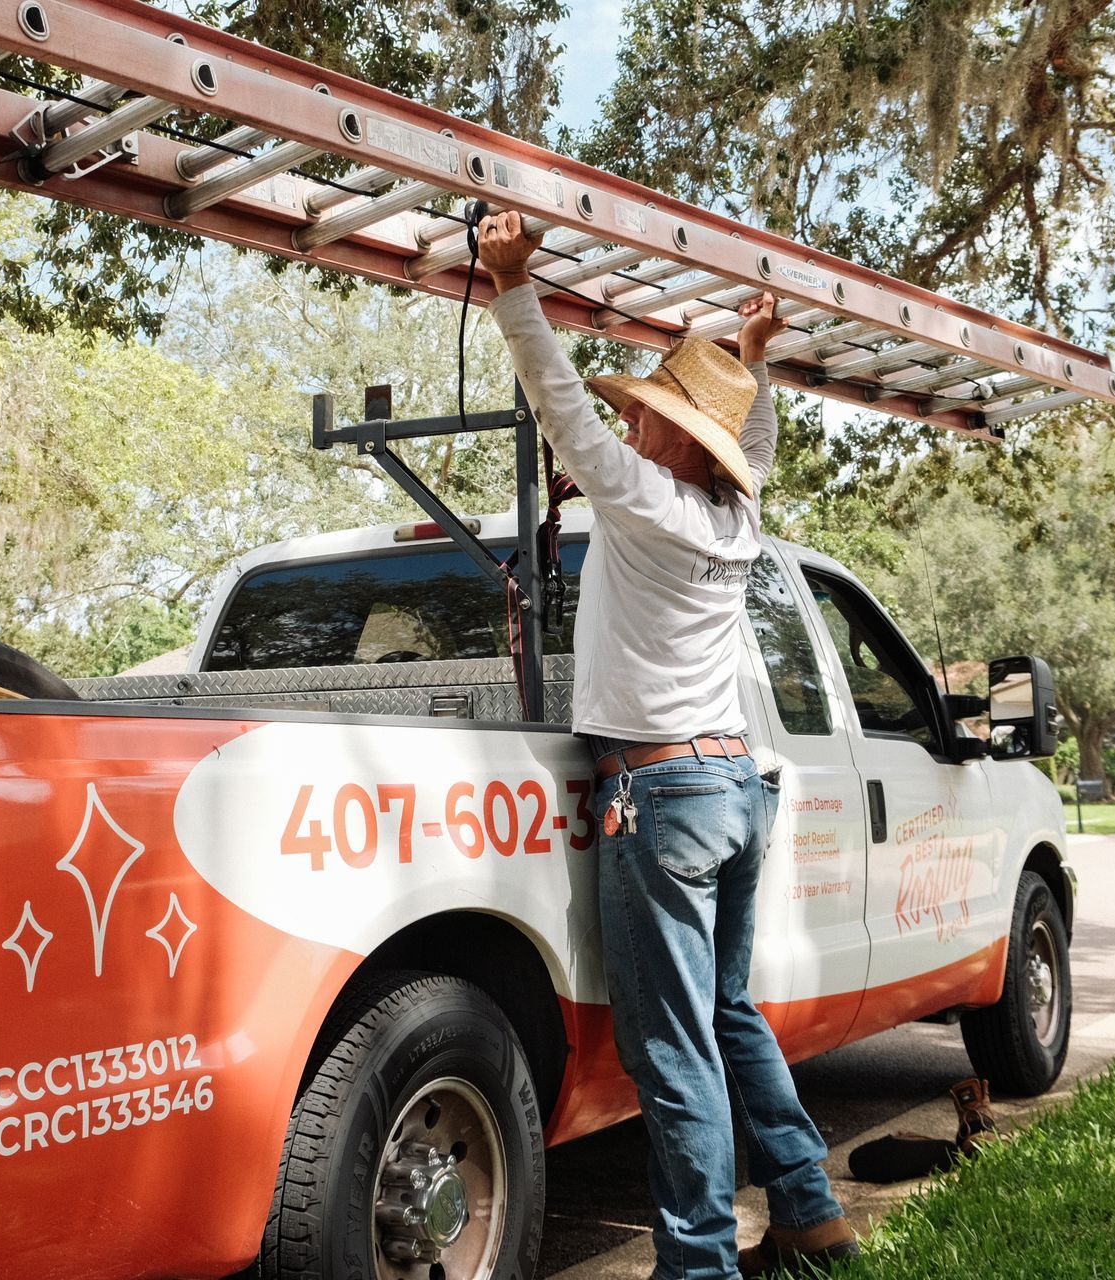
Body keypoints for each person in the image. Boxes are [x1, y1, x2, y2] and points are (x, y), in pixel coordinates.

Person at [477, 210, 860, 1280]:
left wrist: (514, 285)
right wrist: (755, 364)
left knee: (672, 1044)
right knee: (728, 1010)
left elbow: (562, 406)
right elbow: (761, 450)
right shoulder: (733, 521)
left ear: (682, 442)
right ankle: (808, 1205)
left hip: (665, 792)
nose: (634, 428)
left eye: (650, 416)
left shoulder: (647, 498)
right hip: (736, 784)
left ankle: (698, 1263)